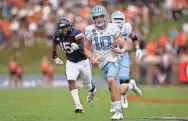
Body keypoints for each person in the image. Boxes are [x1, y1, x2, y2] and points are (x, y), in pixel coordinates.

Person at [84, 5, 129, 120]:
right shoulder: (89, 30)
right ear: (93, 19)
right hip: (101, 62)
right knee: (112, 86)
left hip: (113, 58)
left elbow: (125, 44)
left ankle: (119, 112)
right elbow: (86, 49)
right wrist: (92, 58)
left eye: (101, 16)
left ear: (105, 16)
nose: (98, 19)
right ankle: (125, 91)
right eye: (96, 17)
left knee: (111, 80)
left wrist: (121, 50)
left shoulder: (113, 28)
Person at [52, 17, 96, 114]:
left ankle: (92, 90)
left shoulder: (76, 33)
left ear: (70, 26)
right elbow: (54, 43)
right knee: (71, 81)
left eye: (67, 27)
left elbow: (84, 46)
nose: (65, 29)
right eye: (63, 27)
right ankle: (78, 105)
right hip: (71, 62)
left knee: (86, 86)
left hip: (83, 61)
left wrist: (78, 46)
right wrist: (55, 56)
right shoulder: (57, 35)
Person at [110, 11, 143, 111]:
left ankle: (129, 87)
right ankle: (114, 102)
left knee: (123, 84)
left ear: (124, 20)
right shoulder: (108, 27)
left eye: (120, 20)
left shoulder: (127, 27)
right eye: (116, 20)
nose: (118, 22)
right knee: (111, 81)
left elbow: (134, 37)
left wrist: (137, 48)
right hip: (111, 57)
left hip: (123, 55)